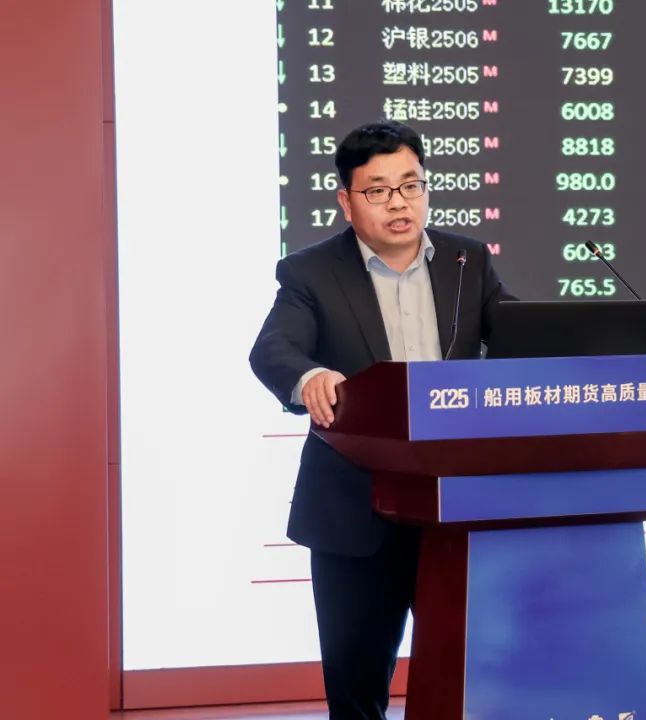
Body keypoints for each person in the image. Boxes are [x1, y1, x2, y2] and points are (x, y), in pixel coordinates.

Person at [249, 121, 514, 719]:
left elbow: (520, 336)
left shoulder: (467, 260)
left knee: (475, 674)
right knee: (357, 686)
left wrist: (607, 357)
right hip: (355, 508)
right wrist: (309, 377)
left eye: (411, 185)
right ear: (346, 201)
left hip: (454, 505)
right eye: (378, 190)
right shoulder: (311, 272)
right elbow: (274, 350)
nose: (399, 203)